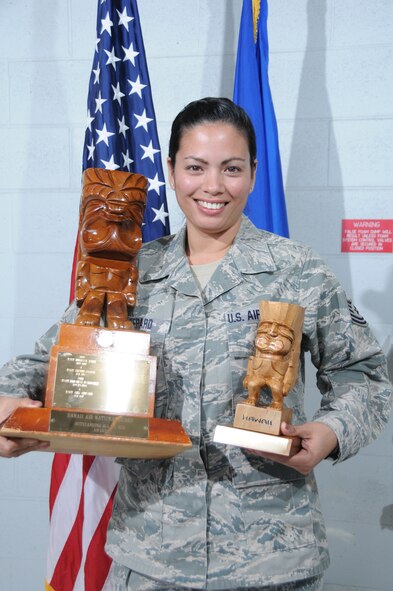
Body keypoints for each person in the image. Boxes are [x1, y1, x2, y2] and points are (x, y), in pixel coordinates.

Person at [0, 97, 392, 591]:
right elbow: (44, 359)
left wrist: (331, 433)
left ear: (253, 171)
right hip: (150, 554)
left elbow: (365, 375)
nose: (212, 186)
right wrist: (6, 404)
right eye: (195, 167)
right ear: (171, 170)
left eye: (231, 168)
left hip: (269, 557)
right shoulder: (129, 273)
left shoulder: (299, 270)